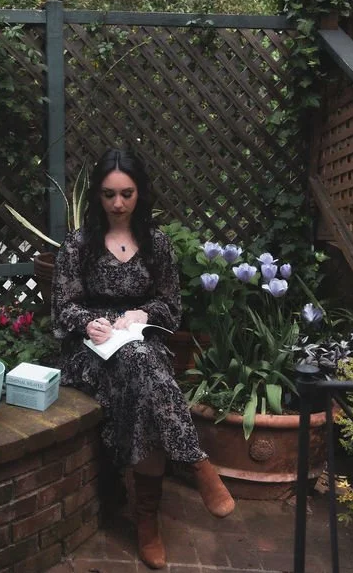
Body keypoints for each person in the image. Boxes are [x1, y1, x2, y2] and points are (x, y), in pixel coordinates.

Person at [51, 147, 235, 570]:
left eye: (127, 194)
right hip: (90, 353)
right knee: (149, 371)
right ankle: (196, 463)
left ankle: (147, 519)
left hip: (140, 344)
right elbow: (63, 307)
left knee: (143, 368)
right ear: (97, 196)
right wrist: (90, 322)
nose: (118, 203)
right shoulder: (78, 245)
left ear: (140, 193)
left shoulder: (158, 244)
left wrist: (142, 313)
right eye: (109, 194)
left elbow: (170, 306)